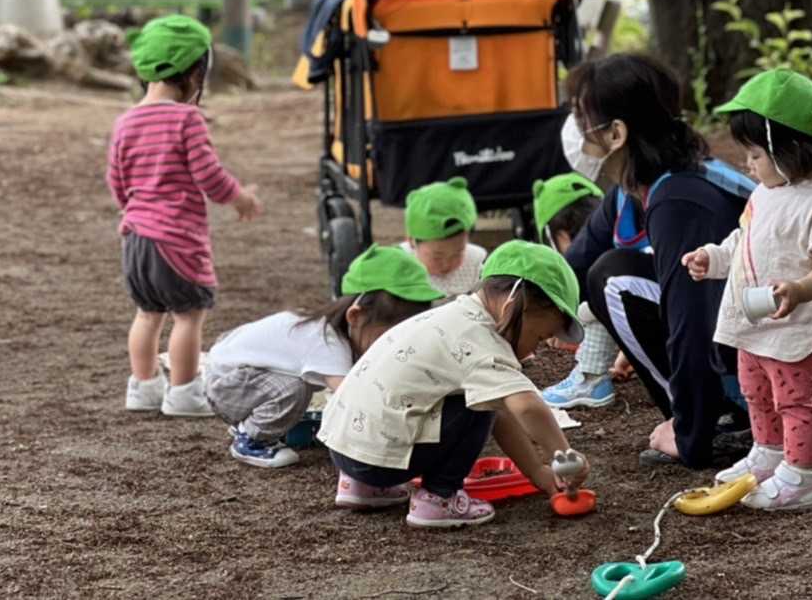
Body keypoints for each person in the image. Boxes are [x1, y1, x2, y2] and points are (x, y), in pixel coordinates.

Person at [562, 52, 755, 468]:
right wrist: (491, 310)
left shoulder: (679, 198)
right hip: (747, 345)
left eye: (581, 120)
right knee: (603, 273)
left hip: (779, 369)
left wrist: (692, 435)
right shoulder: (633, 187)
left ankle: (723, 421)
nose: (573, 132)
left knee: (614, 279)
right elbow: (567, 271)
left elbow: (692, 324)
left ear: (616, 133)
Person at [318, 240, 589, 528]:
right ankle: (439, 498)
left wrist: (538, 472)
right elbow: (527, 408)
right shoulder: (480, 340)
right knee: (474, 406)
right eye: (537, 337)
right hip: (378, 462)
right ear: (512, 307)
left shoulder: (449, 316)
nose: (532, 351)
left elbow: (503, 415)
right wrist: (566, 458)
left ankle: (361, 488)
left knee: (481, 400)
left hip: (344, 451)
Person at [683, 70, 812, 511]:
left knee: (795, 401)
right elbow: (744, 241)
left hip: (792, 325)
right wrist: (713, 258)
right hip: (754, 320)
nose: (747, 163)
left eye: (755, 154)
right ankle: (769, 452)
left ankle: (801, 476)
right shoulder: (766, 191)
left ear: (787, 150)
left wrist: (799, 288)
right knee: (756, 393)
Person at [109, 14, 262, 418]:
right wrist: (240, 198)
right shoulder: (186, 119)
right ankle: (183, 393)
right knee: (188, 317)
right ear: (198, 71)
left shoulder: (125, 122)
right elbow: (208, 175)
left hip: (136, 238)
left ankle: (142, 388)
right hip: (176, 239)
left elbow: (117, 181)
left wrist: (136, 209)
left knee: (147, 313)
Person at [205, 245, 442, 469]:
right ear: (356, 316)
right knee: (294, 388)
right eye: (387, 336)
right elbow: (352, 396)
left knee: (295, 385)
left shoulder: (334, 330)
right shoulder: (327, 343)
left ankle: (254, 425)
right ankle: (251, 439)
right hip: (226, 386)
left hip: (237, 376)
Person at [532, 173, 618, 409]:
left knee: (589, 308)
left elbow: (598, 307)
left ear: (556, 236)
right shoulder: (618, 236)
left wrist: (561, 323)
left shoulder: (579, 263)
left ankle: (590, 379)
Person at [399, 177, 487, 296]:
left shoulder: (475, 264)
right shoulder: (401, 266)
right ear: (412, 241)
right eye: (437, 257)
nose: (446, 265)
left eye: (458, 253)